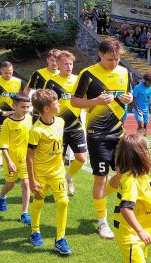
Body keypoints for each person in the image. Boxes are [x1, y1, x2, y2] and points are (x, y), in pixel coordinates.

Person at [71, 37, 133, 240]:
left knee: (126, 173)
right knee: (100, 177)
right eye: (109, 59)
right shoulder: (87, 74)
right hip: (97, 134)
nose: (114, 63)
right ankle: (102, 221)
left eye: (117, 59)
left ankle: (103, 198)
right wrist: (96, 101)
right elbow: (74, 101)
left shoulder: (124, 72)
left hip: (119, 132)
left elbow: (127, 95)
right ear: (100, 54)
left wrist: (129, 99)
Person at [112, 133, 151, 263]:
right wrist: (140, 231)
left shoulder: (141, 175)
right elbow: (125, 208)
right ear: (140, 156)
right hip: (130, 233)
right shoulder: (131, 181)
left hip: (137, 231)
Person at [27, 89, 72, 255]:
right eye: (56, 103)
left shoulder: (60, 122)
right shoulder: (36, 131)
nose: (59, 104)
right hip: (40, 174)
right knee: (38, 201)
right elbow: (30, 157)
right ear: (46, 108)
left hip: (57, 172)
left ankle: (60, 239)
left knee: (63, 202)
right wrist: (32, 180)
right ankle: (35, 231)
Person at [45, 50, 86, 197]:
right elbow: (46, 103)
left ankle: (68, 177)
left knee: (81, 158)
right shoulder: (51, 82)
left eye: (71, 63)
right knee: (58, 160)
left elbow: (86, 99)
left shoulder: (78, 80)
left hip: (76, 125)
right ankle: (60, 184)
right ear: (58, 64)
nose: (69, 66)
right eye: (65, 64)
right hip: (58, 127)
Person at [0, 94, 29, 221]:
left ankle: (24, 213)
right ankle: (1, 196)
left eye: (27, 107)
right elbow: (3, 145)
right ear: (13, 106)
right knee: (10, 185)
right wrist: (9, 161)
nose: (25, 110)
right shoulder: (7, 122)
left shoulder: (30, 119)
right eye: (23, 107)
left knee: (26, 184)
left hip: (25, 159)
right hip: (10, 159)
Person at [0, 61, 24, 166]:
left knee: (15, 135)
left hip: (15, 113)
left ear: (12, 70)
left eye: (10, 72)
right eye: (5, 73)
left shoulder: (19, 82)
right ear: (1, 71)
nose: (8, 75)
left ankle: (14, 155)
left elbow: (22, 98)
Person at [132, 71, 151, 135]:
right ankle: (139, 141)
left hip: (146, 109)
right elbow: (133, 100)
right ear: (146, 80)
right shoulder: (137, 87)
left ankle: (143, 139)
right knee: (141, 126)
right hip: (138, 109)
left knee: (145, 126)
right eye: (149, 82)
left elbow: (150, 96)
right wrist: (137, 110)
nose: (150, 84)